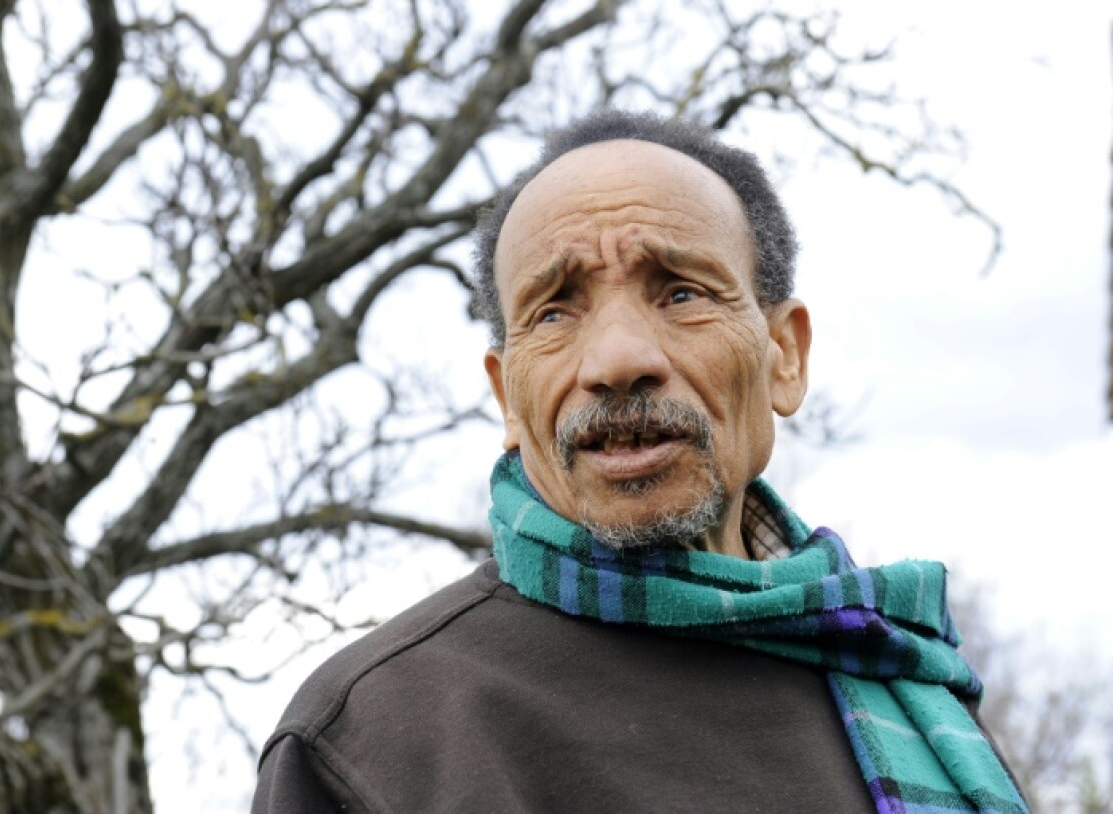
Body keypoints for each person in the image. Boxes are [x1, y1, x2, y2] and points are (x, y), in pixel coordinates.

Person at [252, 110, 1027, 814]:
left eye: (681, 293)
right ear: (508, 400)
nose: (618, 360)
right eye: (553, 310)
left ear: (784, 354)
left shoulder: (914, 685)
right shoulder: (374, 739)